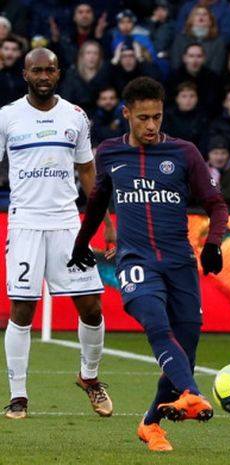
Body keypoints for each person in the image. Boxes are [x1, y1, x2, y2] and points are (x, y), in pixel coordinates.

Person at [67, 76, 228, 452]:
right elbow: (96, 204)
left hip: (180, 263)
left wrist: (214, 244)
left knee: (185, 347)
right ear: (126, 114)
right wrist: (80, 243)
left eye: (157, 116)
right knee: (155, 322)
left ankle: (151, 424)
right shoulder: (108, 153)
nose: (152, 125)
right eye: (143, 118)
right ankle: (191, 392)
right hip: (135, 261)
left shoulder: (184, 153)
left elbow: (216, 205)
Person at [0, 47, 114, 419]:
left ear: (59, 73)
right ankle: (18, 396)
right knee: (22, 309)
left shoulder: (75, 116)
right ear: (25, 74)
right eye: (37, 71)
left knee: (92, 307)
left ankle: (90, 378)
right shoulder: (7, 117)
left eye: (50, 70)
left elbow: (87, 172)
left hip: (68, 224)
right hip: (25, 223)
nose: (44, 76)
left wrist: (106, 222)